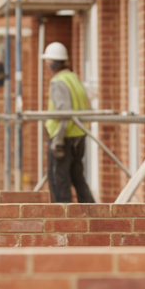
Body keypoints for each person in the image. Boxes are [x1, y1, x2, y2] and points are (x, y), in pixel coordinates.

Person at [42, 42, 95, 203]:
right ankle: (95, 219)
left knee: (59, 183)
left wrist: (57, 140)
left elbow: (64, 113)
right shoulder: (73, 78)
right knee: (78, 180)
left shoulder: (58, 81)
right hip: (78, 136)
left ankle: (62, 223)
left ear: (51, 62)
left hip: (63, 139)